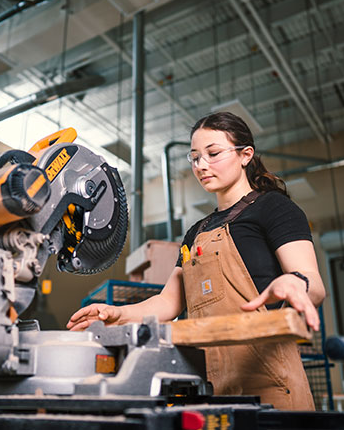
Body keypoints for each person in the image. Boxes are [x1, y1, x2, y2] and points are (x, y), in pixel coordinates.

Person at [66, 111, 326, 411]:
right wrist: (115, 314)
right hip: (210, 386)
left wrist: (297, 283)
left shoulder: (274, 208)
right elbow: (168, 303)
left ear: (245, 155)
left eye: (213, 153)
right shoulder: (196, 232)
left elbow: (313, 281)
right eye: (194, 157)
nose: (201, 165)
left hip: (271, 384)